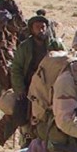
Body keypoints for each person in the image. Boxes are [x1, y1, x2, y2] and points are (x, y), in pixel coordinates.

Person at [9, 15, 66, 144]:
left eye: (43, 27)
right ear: (31, 29)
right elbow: (16, 68)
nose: (41, 30)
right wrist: (20, 88)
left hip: (53, 83)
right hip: (30, 85)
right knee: (21, 111)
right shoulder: (24, 47)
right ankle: (26, 138)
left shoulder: (55, 44)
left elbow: (66, 60)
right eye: (37, 27)